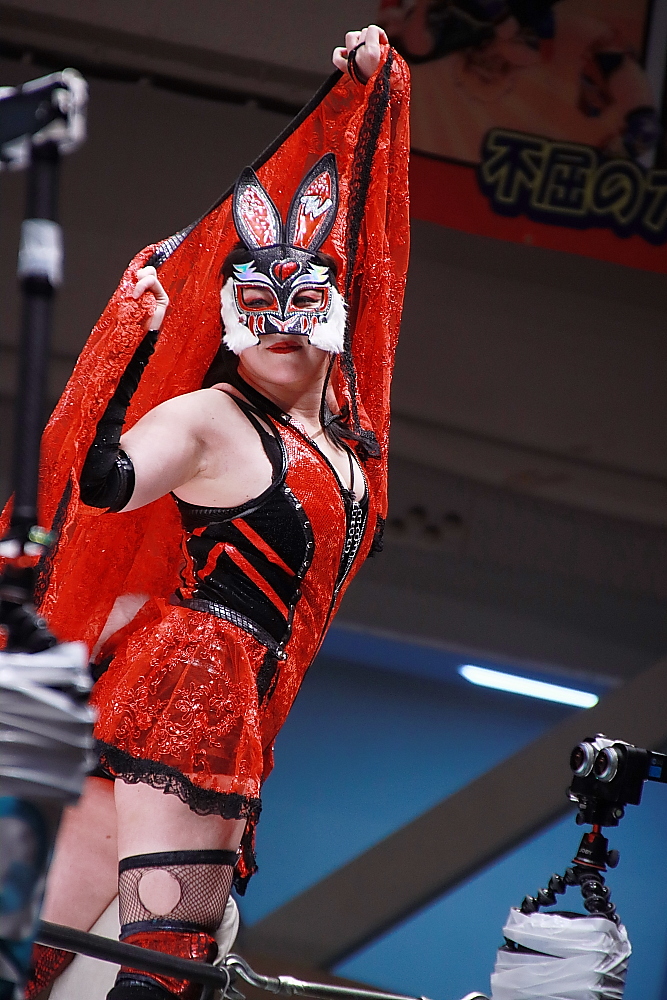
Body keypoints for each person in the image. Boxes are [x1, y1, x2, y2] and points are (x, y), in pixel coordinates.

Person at [18, 24, 410, 1000]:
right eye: (255, 298)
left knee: (36, 954)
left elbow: (369, 237)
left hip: (216, 701)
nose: (279, 319)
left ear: (333, 311)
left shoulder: (349, 450)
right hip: (192, 685)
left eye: (301, 295)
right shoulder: (211, 416)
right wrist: (126, 349)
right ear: (231, 319)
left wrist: (380, 94)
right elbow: (105, 480)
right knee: (164, 960)